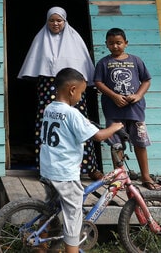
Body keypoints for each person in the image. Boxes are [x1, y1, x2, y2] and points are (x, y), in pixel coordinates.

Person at [40, 67, 124, 253]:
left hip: (48, 168)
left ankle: (41, 245)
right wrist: (115, 127)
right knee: (73, 215)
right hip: (65, 173)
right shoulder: (72, 113)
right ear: (72, 90)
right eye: (81, 92)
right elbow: (99, 136)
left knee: (50, 210)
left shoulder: (49, 108)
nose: (80, 97)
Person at [18, 6, 104, 180]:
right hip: (48, 88)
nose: (55, 24)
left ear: (65, 21)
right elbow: (36, 66)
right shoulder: (40, 39)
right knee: (49, 125)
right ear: (47, 21)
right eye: (52, 20)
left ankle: (89, 167)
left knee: (79, 125)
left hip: (73, 89)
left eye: (59, 20)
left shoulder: (75, 39)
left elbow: (84, 68)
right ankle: (46, 168)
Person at [93, 27, 161, 190]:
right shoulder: (104, 62)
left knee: (140, 143)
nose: (115, 46)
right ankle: (119, 177)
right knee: (116, 145)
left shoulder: (136, 61)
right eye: (111, 43)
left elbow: (146, 80)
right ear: (106, 45)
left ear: (126, 43)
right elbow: (98, 82)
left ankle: (146, 176)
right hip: (113, 110)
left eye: (119, 43)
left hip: (135, 111)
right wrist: (114, 96)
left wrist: (138, 95)